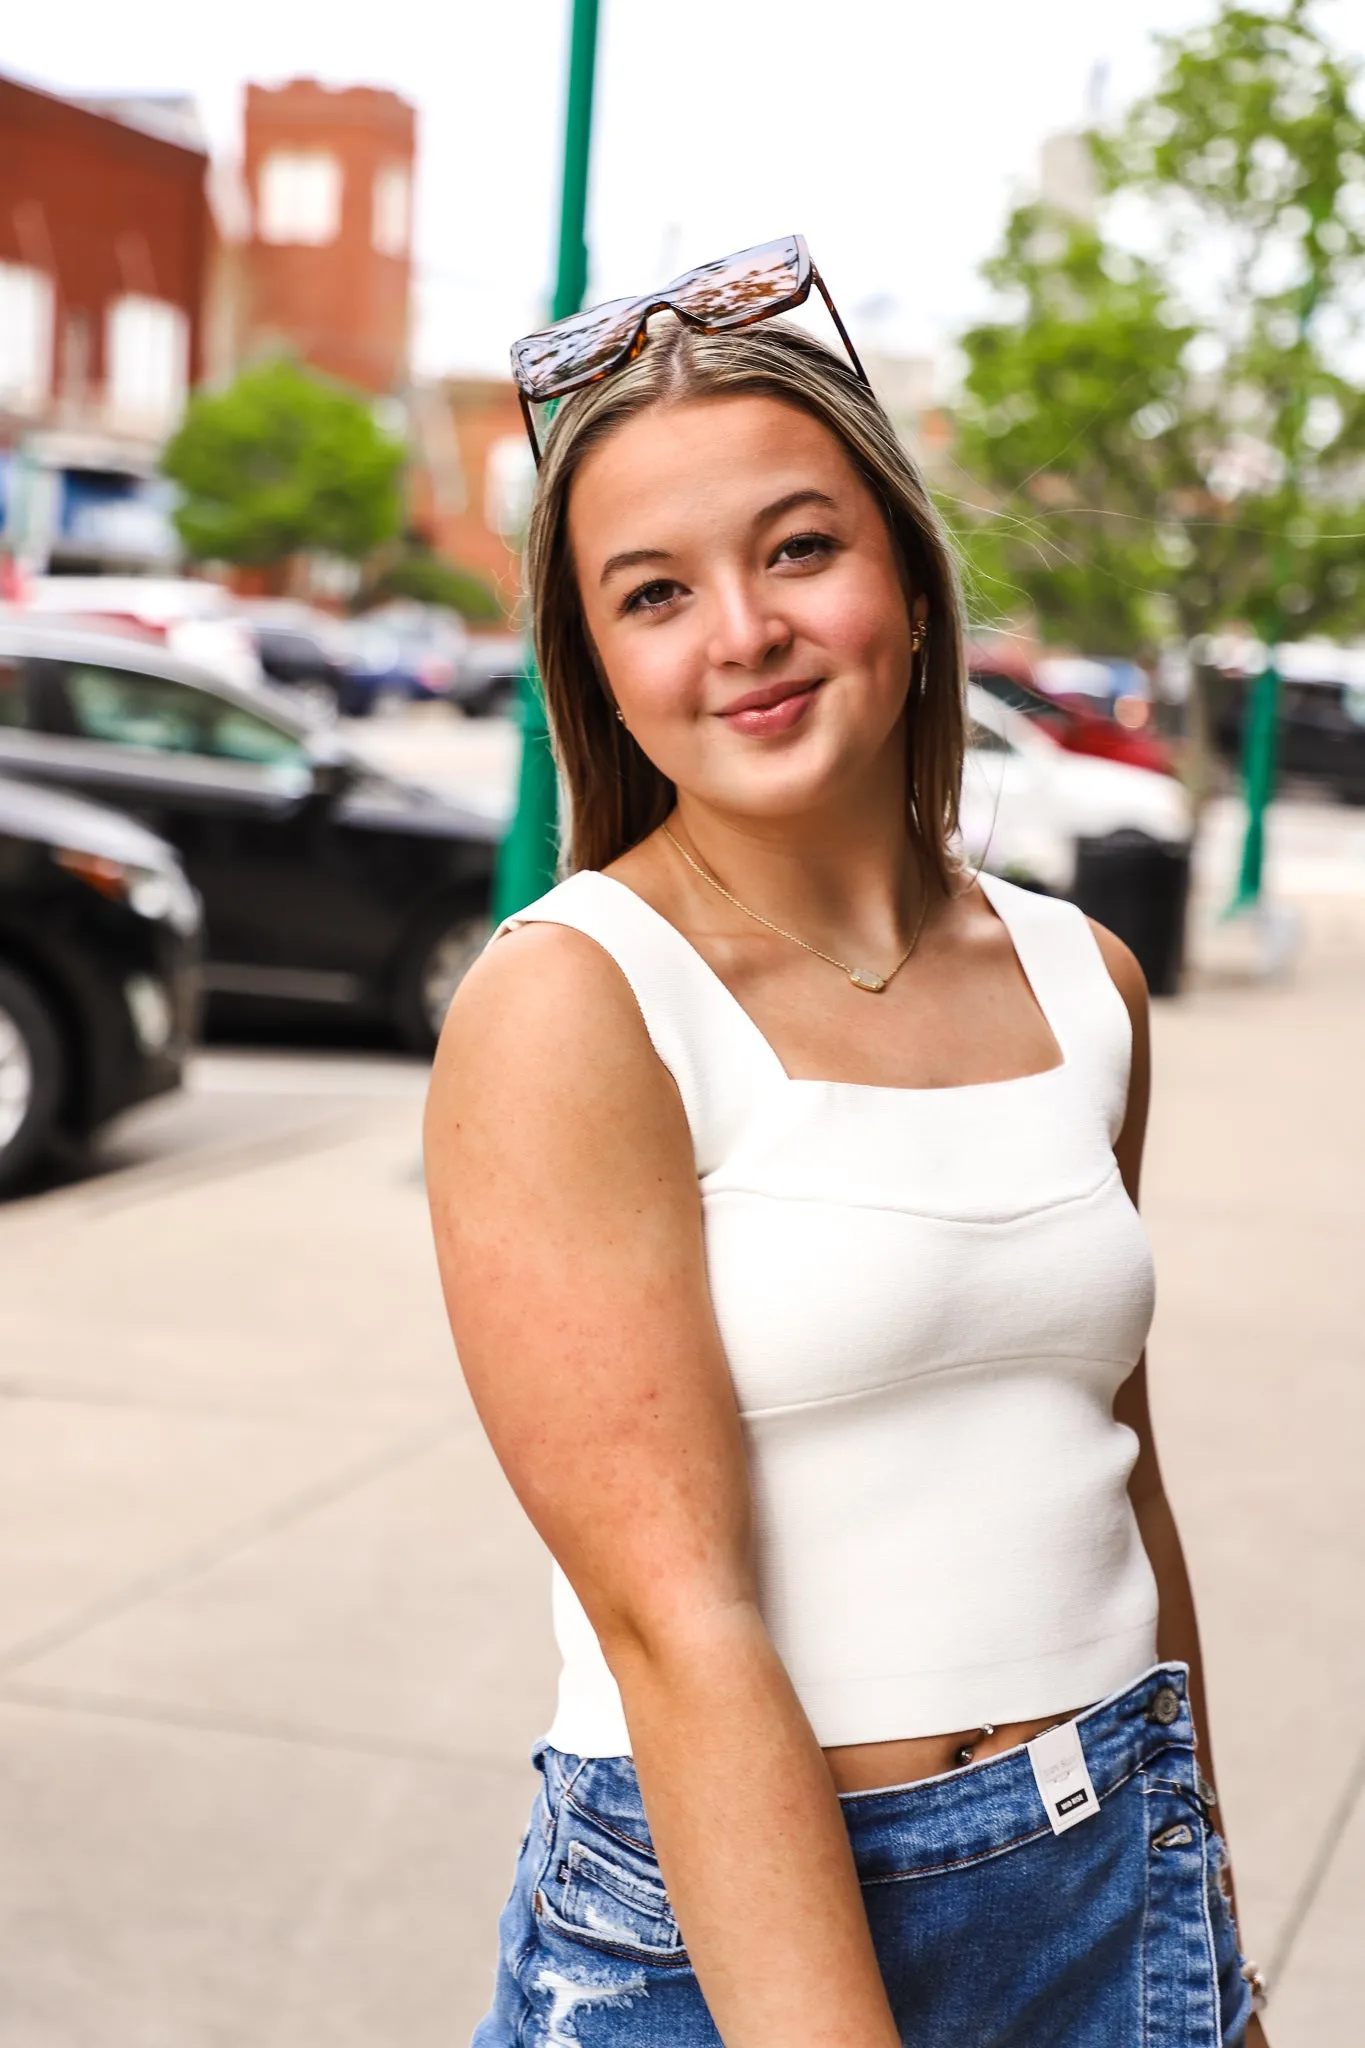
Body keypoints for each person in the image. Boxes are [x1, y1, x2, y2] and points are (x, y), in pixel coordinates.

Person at [424, 238, 1267, 2047]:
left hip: (1112, 1859)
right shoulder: (578, 1003)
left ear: (899, 564)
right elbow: (676, 1623)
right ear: (601, 662)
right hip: (726, 1922)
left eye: (798, 547)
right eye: (654, 593)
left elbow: (1116, 1462)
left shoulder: (1085, 977)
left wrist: (1205, 1918)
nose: (743, 633)